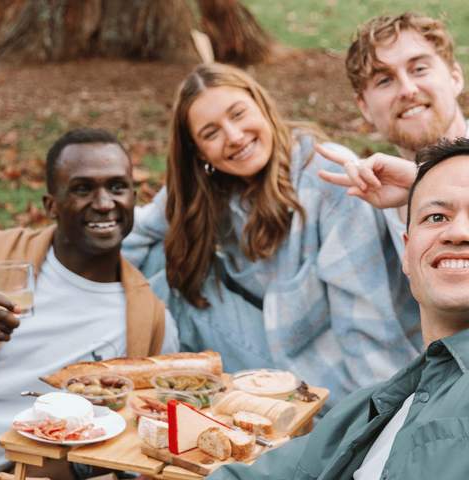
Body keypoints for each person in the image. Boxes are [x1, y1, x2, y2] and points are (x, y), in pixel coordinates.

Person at [123, 62, 421, 411]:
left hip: (329, 373)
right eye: (211, 133)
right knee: (155, 261)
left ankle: (159, 406)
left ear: (263, 107)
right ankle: (131, 399)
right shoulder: (207, 187)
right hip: (272, 332)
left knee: (164, 290)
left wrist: (376, 418)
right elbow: (134, 231)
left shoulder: (329, 180)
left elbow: (366, 320)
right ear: (199, 153)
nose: (234, 136)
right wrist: (62, 266)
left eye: (239, 114)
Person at [208, 137, 469, 480]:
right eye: (436, 217)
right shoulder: (368, 411)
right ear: (407, 252)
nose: (459, 232)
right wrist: (428, 182)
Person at [0, 128, 179, 477]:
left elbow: (140, 442)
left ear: (134, 199)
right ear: (51, 206)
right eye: (82, 189)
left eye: (117, 187)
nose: (105, 203)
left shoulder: (150, 319)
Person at [317, 12, 468, 258]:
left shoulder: (411, 183)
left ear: (455, 77)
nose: (407, 90)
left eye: (419, 69)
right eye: (385, 80)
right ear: (364, 106)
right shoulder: (380, 202)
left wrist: (422, 183)